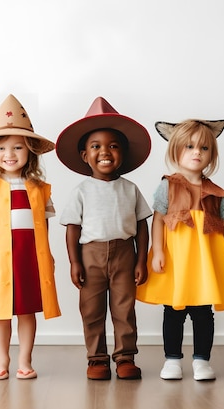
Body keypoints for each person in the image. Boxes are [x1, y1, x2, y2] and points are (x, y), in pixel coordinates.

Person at [136, 119, 224, 381]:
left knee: (202, 311)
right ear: (175, 150)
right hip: (177, 258)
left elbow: (221, 225)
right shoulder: (168, 185)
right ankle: (172, 359)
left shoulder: (213, 191)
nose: (197, 152)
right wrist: (159, 251)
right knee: (173, 310)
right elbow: (158, 219)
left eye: (203, 148)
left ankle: (202, 360)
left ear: (212, 154)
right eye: (189, 147)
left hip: (205, 260)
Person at [57, 97, 152, 380]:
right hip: (90, 255)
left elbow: (142, 226)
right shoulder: (81, 191)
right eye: (96, 146)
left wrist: (141, 260)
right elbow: (72, 228)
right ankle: (96, 359)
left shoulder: (130, 189)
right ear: (85, 155)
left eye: (113, 146)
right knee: (92, 310)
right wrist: (74, 263)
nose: (105, 152)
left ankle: (125, 357)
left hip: (125, 253)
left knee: (124, 309)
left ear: (123, 153)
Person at [0, 94, 61, 380]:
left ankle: (25, 360)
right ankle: (1, 360)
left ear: (29, 151)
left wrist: (49, 255)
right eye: (2, 148)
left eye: (18, 147)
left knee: (27, 310)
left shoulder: (39, 187)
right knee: (0, 310)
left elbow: (42, 227)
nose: (10, 153)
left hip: (28, 258)